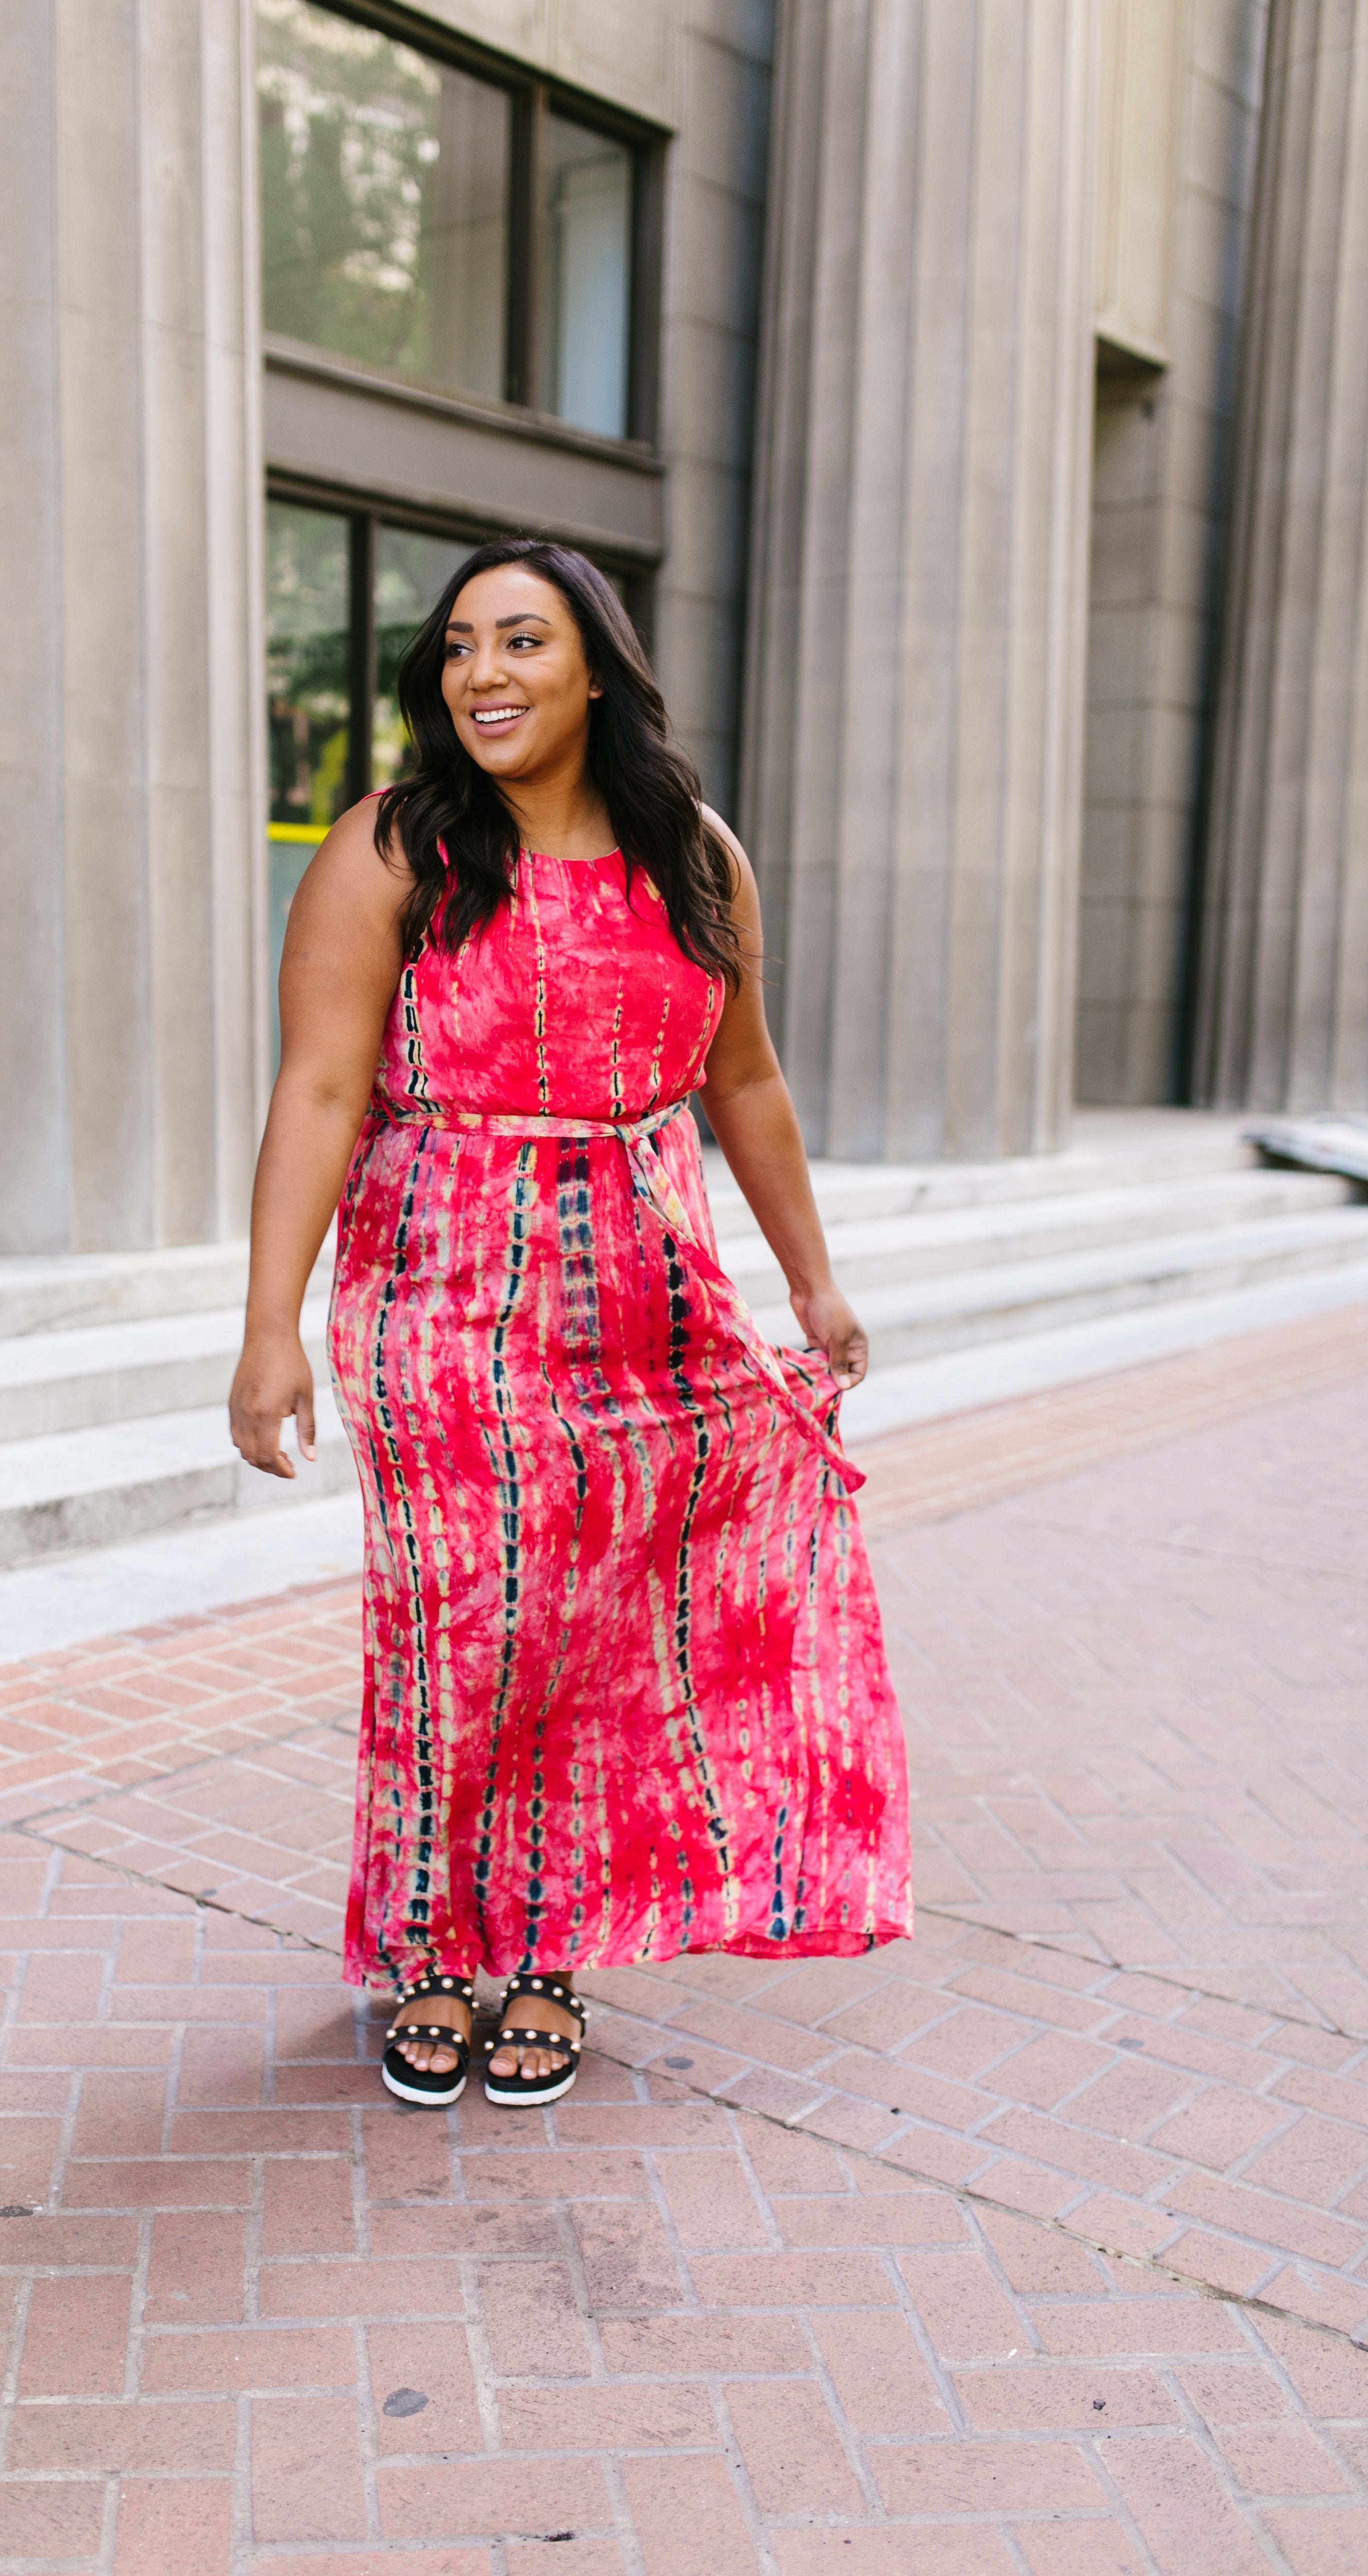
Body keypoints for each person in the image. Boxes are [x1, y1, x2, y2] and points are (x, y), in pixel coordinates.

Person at [230, 537, 909, 2110]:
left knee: (595, 1637)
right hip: (439, 1288)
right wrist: (271, 1325)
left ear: (594, 667)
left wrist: (812, 1280)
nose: (483, 673)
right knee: (457, 1631)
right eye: (460, 645)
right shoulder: (394, 849)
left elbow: (743, 1079)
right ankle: (429, 1948)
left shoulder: (695, 855)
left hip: (647, 1301)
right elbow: (322, 1088)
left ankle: (545, 1949)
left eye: (521, 641)